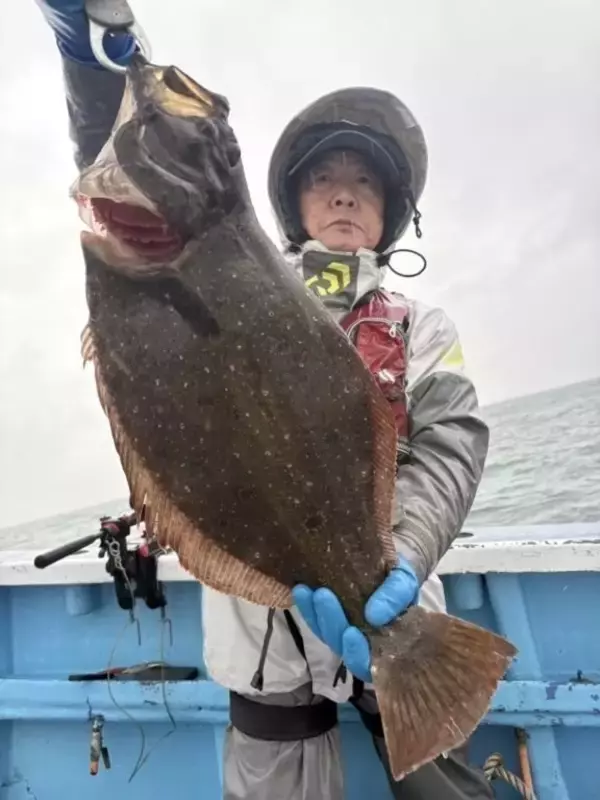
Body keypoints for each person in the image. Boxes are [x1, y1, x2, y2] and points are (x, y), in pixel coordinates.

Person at [36, 3, 494, 799]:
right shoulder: (232, 267)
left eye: (364, 185)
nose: (344, 197)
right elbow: (126, 159)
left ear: (391, 213)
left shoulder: (426, 326)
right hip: (261, 652)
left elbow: (452, 443)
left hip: (398, 615)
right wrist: (95, 62)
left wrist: (404, 557)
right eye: (325, 180)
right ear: (290, 198)